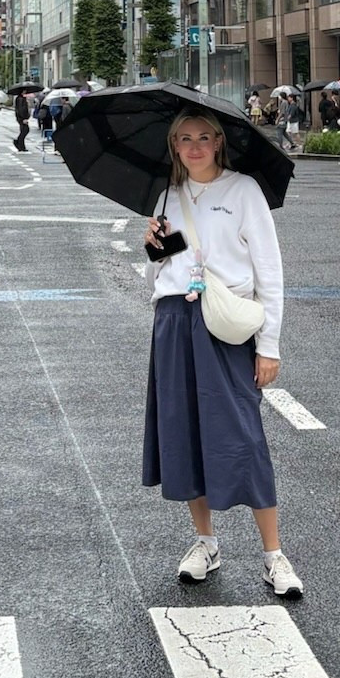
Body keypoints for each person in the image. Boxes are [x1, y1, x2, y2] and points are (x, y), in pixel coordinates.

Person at [141, 110, 301, 600]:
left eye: (203, 138)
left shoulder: (244, 190)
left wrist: (269, 346)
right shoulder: (168, 195)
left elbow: (268, 272)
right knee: (184, 431)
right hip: (173, 321)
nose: (194, 147)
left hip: (226, 325)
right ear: (173, 145)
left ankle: (274, 555)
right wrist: (154, 249)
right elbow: (162, 272)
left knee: (243, 436)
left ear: (218, 143)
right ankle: (205, 542)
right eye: (184, 138)